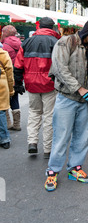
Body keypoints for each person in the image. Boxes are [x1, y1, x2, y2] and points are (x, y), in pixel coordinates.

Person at [44, 17, 88, 192]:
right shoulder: (66, 42)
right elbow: (59, 68)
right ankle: (53, 171)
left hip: (85, 99)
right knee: (61, 137)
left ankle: (75, 168)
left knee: (82, 137)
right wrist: (79, 89)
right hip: (67, 97)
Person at [14, 17, 61, 157]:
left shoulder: (27, 42)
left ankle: (32, 142)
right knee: (49, 116)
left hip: (31, 83)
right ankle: (48, 148)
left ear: (39, 26)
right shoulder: (56, 42)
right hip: (49, 84)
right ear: (52, 28)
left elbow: (18, 65)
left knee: (34, 113)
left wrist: (18, 83)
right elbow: (60, 65)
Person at [1, 25, 22, 131]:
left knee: (4, 99)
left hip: (7, 75)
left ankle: (8, 123)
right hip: (18, 74)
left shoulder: (4, 45)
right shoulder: (20, 43)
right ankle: (17, 124)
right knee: (15, 98)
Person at [0, 42, 14, 149]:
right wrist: (10, 89)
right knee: (1, 112)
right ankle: (4, 139)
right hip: (1, 85)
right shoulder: (3, 54)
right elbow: (9, 72)